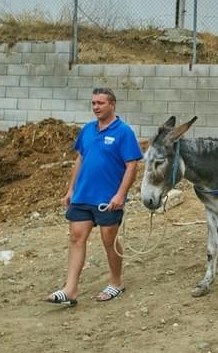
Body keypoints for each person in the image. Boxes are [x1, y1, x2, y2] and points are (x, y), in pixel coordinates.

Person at [45, 87, 143, 306]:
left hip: (108, 199)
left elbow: (131, 165)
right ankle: (70, 290)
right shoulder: (87, 130)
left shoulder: (123, 132)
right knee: (76, 237)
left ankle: (116, 283)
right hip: (82, 196)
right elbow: (80, 159)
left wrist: (120, 195)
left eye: (100, 103)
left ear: (112, 105)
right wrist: (71, 190)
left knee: (109, 240)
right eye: (93, 103)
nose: (96, 107)